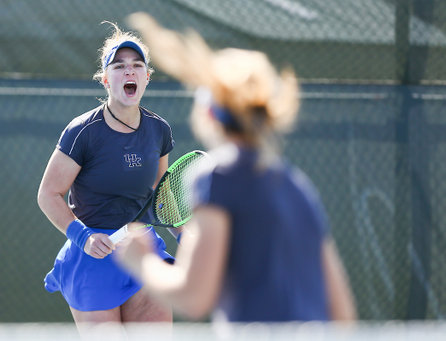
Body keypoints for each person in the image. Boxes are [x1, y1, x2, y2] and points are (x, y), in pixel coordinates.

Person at [115, 12, 357, 323]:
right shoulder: (298, 187)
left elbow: (194, 296)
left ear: (209, 114)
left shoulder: (217, 176)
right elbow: (343, 314)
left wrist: (143, 262)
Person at [37, 21, 181, 337]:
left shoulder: (159, 130)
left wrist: (183, 234)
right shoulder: (82, 132)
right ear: (106, 80)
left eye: (137, 66)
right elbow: (48, 193)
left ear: (146, 77)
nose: (129, 72)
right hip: (92, 260)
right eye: (119, 66)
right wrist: (83, 236)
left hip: (143, 251)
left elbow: (160, 196)